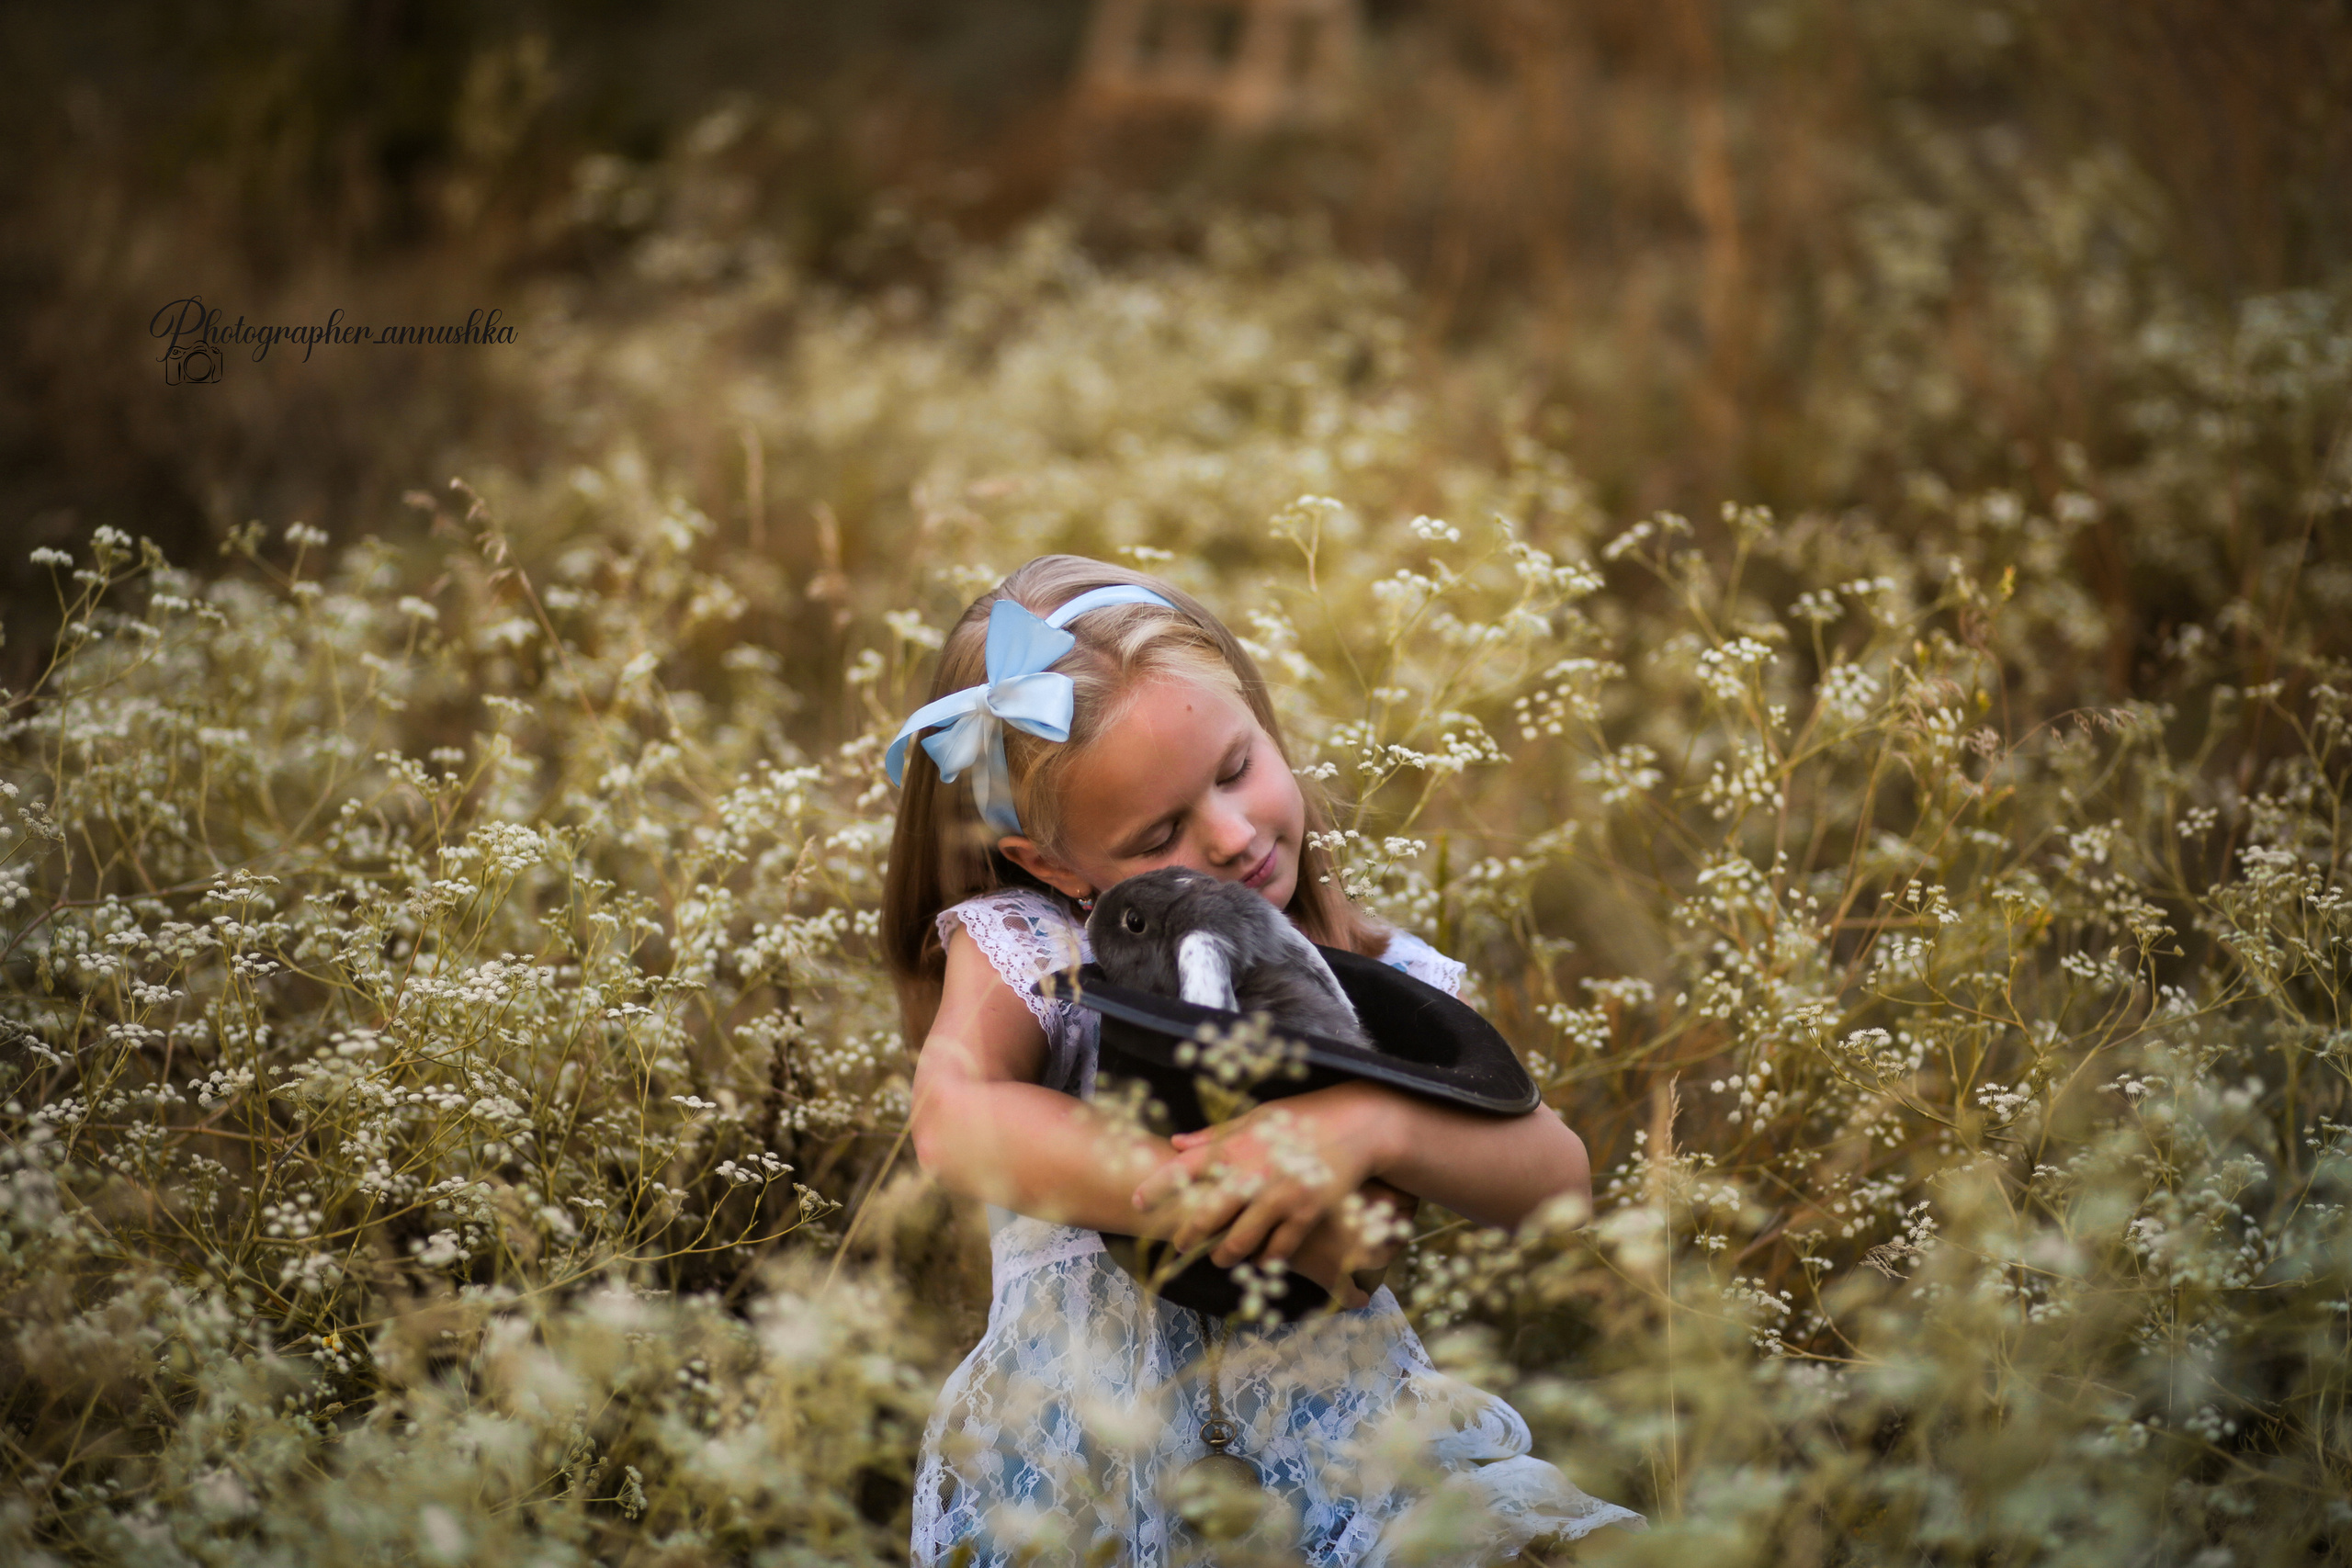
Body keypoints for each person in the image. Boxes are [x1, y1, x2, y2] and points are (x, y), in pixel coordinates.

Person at [884, 556, 1642, 1565]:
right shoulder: (1039, 945)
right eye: (1160, 833)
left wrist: (1370, 1123)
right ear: (1053, 863)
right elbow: (954, 1114)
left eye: (1236, 769)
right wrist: (1196, 1185)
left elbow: (1557, 1179)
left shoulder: (1379, 978)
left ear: (1263, 722)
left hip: (1344, 1454)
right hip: (1086, 1475)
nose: (1234, 836)